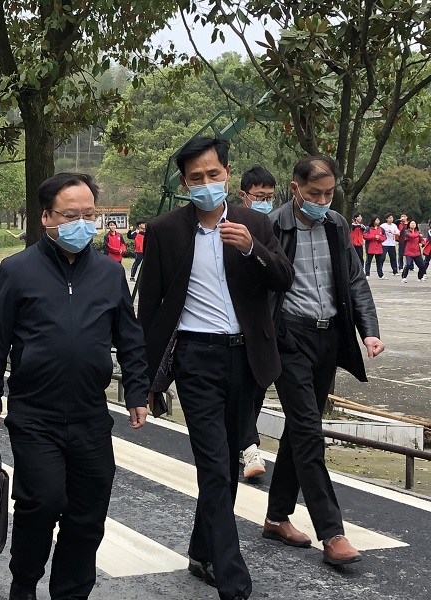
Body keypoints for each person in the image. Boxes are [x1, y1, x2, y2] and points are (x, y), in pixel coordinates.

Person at [0, 172, 148, 600]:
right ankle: (25, 582)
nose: (81, 224)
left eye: (89, 215)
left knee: (88, 514)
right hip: (36, 416)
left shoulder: (109, 273)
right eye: (71, 215)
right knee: (43, 502)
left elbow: (129, 336)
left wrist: (137, 391)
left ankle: (71, 592)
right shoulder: (17, 270)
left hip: (91, 417)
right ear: (47, 217)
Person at [138, 138, 294, 600]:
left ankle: (201, 550)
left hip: (246, 357)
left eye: (213, 174)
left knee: (227, 463)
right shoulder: (165, 230)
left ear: (227, 173)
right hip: (195, 358)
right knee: (212, 464)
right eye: (196, 177)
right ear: (184, 183)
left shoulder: (254, 223)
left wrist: (252, 249)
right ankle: (232, 579)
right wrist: (143, 379)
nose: (206, 183)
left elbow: (284, 278)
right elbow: (150, 309)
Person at [266, 155, 384, 567]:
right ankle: (332, 533)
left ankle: (276, 517)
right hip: (289, 337)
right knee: (308, 431)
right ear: (295, 188)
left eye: (328, 193)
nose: (322, 201)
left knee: (301, 428)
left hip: (328, 337)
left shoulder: (337, 225)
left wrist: (369, 330)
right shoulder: (273, 227)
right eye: (314, 193)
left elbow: (354, 280)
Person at [237, 165, 278, 480]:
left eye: (269, 197)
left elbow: (281, 271)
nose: (265, 202)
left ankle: (243, 442)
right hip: (238, 326)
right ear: (244, 195)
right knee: (243, 389)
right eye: (259, 196)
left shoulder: (273, 227)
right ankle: (249, 447)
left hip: (268, 323)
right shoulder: (231, 226)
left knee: (258, 388)